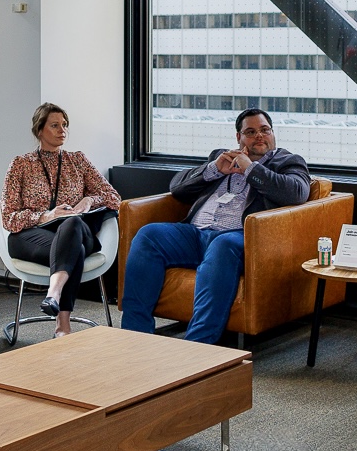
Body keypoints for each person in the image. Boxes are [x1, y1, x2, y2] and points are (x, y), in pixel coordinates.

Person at [120, 108, 310, 344]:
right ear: (238, 138)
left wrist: (251, 168)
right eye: (250, 132)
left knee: (222, 244)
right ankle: (134, 337)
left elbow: (298, 193)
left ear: (273, 133)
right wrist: (212, 170)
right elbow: (177, 187)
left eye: (264, 130)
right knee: (149, 235)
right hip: (196, 234)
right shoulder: (221, 156)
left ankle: (198, 347)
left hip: (239, 237)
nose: (259, 136)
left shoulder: (287, 161)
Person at [2, 103, 121, 336]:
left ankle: (53, 294)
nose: (62, 130)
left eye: (64, 125)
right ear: (39, 130)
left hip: (76, 231)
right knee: (71, 251)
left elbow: (113, 197)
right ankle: (62, 325)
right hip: (32, 235)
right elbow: (8, 218)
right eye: (54, 125)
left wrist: (88, 201)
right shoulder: (21, 165)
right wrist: (45, 215)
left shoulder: (77, 161)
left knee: (72, 224)